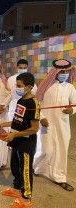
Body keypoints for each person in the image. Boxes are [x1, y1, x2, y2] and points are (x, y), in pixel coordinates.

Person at [0, 72, 40, 208]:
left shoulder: (33, 103)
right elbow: (17, 120)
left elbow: (34, 128)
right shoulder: (21, 100)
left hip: (26, 142)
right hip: (16, 139)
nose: (16, 88)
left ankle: (26, 196)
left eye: (19, 86)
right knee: (15, 166)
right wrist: (2, 125)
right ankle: (16, 188)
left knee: (25, 170)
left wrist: (14, 136)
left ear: (28, 87)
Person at [33, 59, 76, 191]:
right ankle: (37, 168)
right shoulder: (46, 86)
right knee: (45, 150)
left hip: (63, 124)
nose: (64, 74)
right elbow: (36, 104)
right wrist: (41, 117)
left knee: (61, 151)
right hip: (46, 123)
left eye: (66, 71)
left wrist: (72, 110)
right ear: (55, 72)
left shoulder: (70, 87)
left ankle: (60, 177)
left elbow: (75, 103)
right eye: (61, 71)